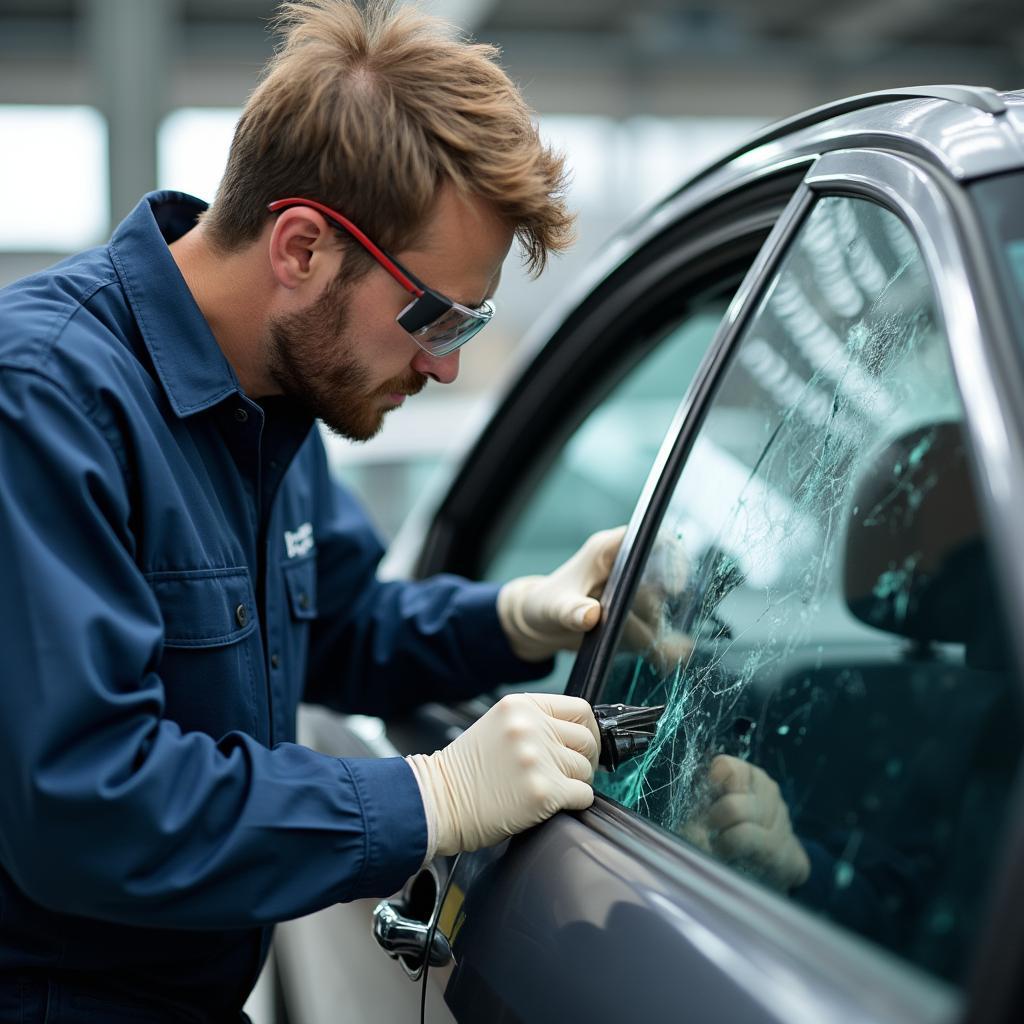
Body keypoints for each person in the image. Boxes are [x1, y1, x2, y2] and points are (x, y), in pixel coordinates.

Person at [0, 2, 622, 1020]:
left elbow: (331, 627)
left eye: (472, 320)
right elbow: (83, 802)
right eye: (434, 312)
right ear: (299, 247)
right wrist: (429, 799)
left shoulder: (275, 401)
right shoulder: (41, 400)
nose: (446, 362)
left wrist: (509, 618)